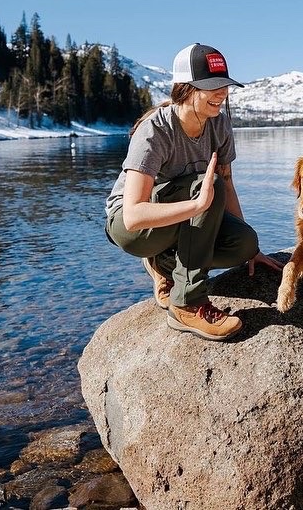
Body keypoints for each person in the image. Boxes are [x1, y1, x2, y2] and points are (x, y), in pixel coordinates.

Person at [105, 43, 283, 341]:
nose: (222, 93)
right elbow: (133, 216)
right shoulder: (155, 131)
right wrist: (197, 205)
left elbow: (227, 184)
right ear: (184, 88)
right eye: (212, 86)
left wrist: (252, 249)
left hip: (185, 217)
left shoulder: (220, 125)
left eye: (224, 85)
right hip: (134, 228)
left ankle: (164, 264)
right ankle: (187, 303)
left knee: (243, 243)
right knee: (208, 185)